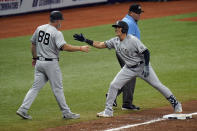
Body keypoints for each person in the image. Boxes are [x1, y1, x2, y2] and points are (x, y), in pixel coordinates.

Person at [73, 20, 182, 117]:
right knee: (114, 85)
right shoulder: (115, 41)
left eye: (117, 27)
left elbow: (146, 52)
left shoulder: (133, 40)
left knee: (157, 85)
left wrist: (146, 66)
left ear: (123, 29)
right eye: (115, 27)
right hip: (128, 68)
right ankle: (108, 111)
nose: (115, 29)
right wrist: (85, 40)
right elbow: (101, 44)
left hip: (141, 66)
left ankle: (176, 103)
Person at [16, 11, 89, 120]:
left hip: (39, 63)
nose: (61, 23)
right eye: (61, 20)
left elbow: (33, 44)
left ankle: (23, 109)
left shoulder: (39, 28)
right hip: (51, 64)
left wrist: (34, 58)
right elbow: (64, 47)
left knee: (35, 88)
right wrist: (80, 48)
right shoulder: (56, 33)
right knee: (58, 89)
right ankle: (66, 113)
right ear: (58, 20)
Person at [111, 3, 144, 110]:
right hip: (126, 54)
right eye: (137, 13)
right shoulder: (128, 23)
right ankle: (126, 103)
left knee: (128, 76)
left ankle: (113, 95)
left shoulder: (129, 21)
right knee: (130, 76)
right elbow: (125, 41)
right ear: (130, 13)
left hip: (126, 53)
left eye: (140, 13)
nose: (139, 15)